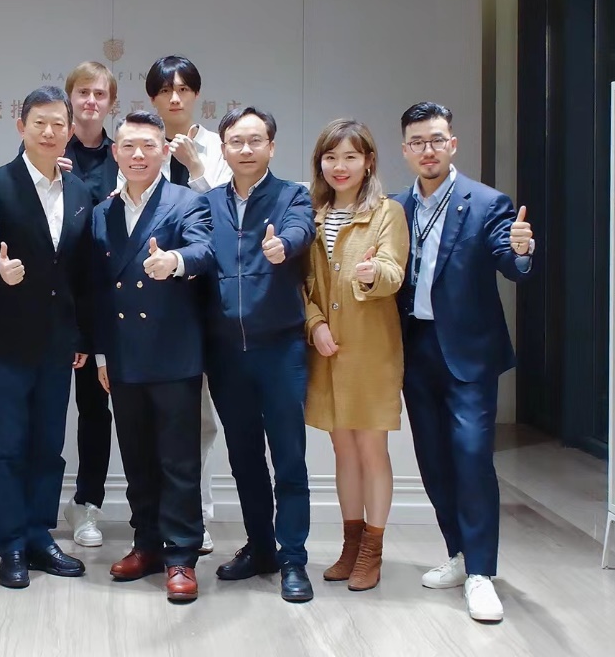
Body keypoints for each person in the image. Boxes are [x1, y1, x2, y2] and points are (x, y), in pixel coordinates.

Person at [394, 101, 534, 622]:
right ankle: (457, 553)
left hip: (468, 353)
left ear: (452, 144)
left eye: (437, 140)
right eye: (417, 142)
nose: (428, 150)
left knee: (472, 457)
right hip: (415, 348)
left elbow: (510, 262)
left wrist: (521, 250)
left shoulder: (487, 203)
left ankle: (481, 573)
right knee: (432, 459)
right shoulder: (395, 207)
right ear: (405, 150)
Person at [0, 86, 94, 588]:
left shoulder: (79, 192)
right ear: (21, 126)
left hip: (58, 344)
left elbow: (80, 274)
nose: (49, 132)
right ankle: (13, 545)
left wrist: (80, 334)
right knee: (7, 447)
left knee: (49, 446)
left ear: (70, 130)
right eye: (39, 122)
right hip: (6, 341)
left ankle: (41, 536)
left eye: (59, 123)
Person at [93, 110, 215, 603]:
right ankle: (145, 544)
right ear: (115, 153)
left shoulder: (187, 201)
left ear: (165, 151)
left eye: (148, 145)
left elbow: (207, 249)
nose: (138, 155)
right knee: (137, 457)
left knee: (178, 460)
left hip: (173, 353)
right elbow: (98, 289)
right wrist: (101, 354)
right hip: (123, 355)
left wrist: (176, 261)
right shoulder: (102, 212)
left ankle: (181, 555)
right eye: (128, 146)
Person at [203, 107, 316, 603]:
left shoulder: (293, 196)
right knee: (244, 457)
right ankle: (261, 548)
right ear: (223, 148)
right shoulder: (208, 203)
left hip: (280, 348)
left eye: (255, 140)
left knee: (289, 457)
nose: (245, 149)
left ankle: (293, 559)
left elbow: (301, 230)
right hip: (226, 352)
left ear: (271, 146)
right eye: (236, 141)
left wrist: (282, 247)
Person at [304, 118, 409, 593]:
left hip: (370, 351)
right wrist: (314, 324)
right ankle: (350, 546)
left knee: (371, 450)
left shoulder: (387, 212)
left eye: (350, 156)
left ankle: (372, 550)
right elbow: (301, 283)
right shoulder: (311, 213)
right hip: (326, 349)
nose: (339, 166)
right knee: (341, 450)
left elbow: (392, 270)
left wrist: (372, 275)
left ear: (368, 161)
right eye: (331, 157)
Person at [145, 55, 230, 552]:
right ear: (153, 98)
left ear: (196, 94)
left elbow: (228, 216)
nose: (175, 98)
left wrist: (197, 169)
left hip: (205, 295)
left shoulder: (219, 147)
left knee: (201, 419)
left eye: (183, 89)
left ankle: (198, 515)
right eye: (165, 90)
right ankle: (156, 517)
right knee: (152, 417)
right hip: (151, 299)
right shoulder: (141, 144)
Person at [58, 61, 120, 548]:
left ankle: (89, 504)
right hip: (58, 304)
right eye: (83, 92)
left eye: (100, 94)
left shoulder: (126, 156)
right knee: (51, 410)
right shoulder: (49, 150)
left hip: (111, 304)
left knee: (100, 410)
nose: (91, 101)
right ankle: (44, 509)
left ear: (111, 103)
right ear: (70, 98)